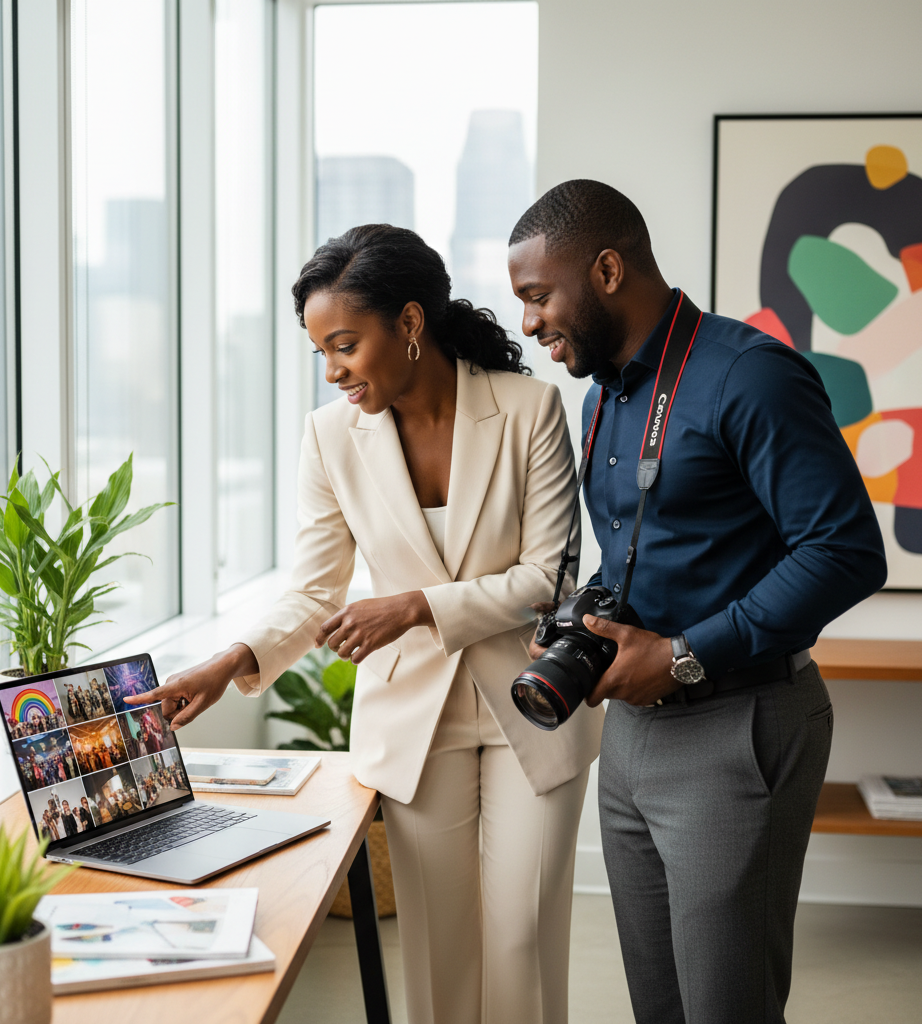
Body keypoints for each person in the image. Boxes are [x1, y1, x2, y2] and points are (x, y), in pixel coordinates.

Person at [125, 224, 602, 1024]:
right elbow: (314, 592)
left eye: (343, 345)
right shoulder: (328, 436)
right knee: (438, 944)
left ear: (409, 324)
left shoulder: (529, 409)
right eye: (320, 352)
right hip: (412, 721)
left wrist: (414, 604)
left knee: (521, 935)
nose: (332, 370)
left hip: (533, 703)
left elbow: (547, 580)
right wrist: (230, 658)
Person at [507, 180, 887, 1024]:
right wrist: (587, 629)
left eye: (537, 296)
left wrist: (684, 654)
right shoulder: (603, 394)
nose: (529, 322)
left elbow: (847, 552)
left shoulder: (750, 374)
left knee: (727, 1007)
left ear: (606, 270)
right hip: (633, 732)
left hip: (736, 723)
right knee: (660, 1005)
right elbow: (641, 550)